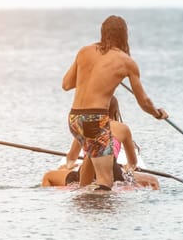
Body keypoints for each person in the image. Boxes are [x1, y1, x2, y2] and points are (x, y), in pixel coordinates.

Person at [62, 15, 168, 190]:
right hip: (95, 120)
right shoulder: (126, 62)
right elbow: (144, 101)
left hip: (74, 119)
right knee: (105, 180)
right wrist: (157, 113)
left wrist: (90, 76)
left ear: (103, 32)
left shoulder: (83, 52)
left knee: (87, 173)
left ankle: (81, 215)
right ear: (124, 36)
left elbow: (66, 84)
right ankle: (104, 217)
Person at [41, 96, 160, 190]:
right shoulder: (122, 128)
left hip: (85, 173)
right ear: (115, 111)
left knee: (48, 177)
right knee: (154, 181)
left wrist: (68, 167)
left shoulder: (84, 125)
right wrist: (127, 169)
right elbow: (132, 162)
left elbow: (71, 157)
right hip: (113, 172)